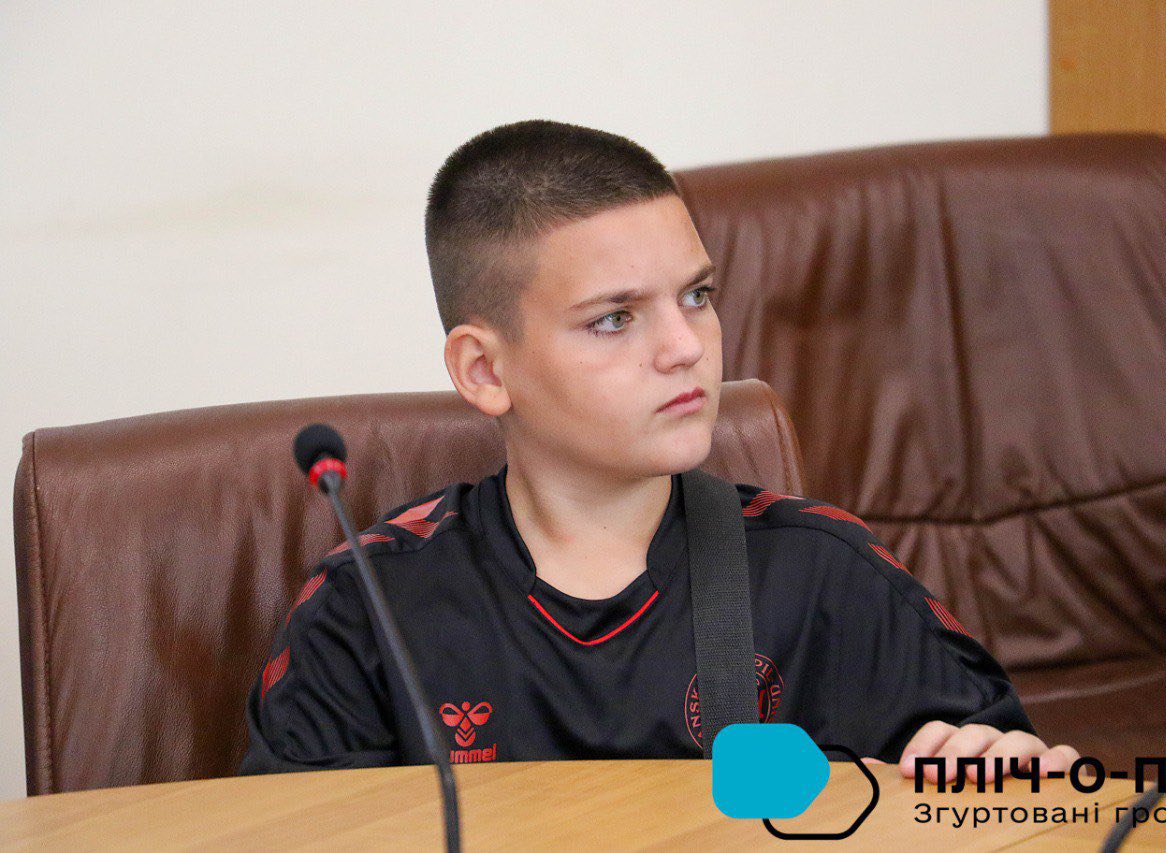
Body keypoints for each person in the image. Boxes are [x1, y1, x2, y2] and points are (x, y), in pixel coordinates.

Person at [240, 119, 1079, 787]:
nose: (687, 347)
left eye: (698, 296)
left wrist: (997, 776)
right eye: (616, 317)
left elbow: (1016, 798)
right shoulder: (371, 605)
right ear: (486, 370)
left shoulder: (825, 573)